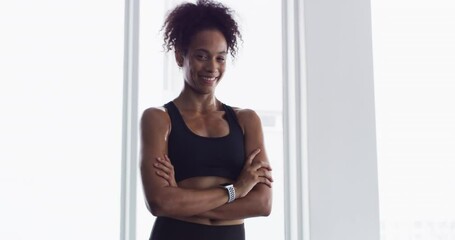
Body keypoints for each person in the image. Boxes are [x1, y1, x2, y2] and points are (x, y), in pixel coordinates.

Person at [140, 1, 273, 239]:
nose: (212, 67)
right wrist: (237, 189)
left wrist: (181, 198)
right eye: (202, 56)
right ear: (181, 57)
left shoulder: (246, 120)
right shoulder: (159, 119)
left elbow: (262, 204)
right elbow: (160, 202)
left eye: (220, 58)